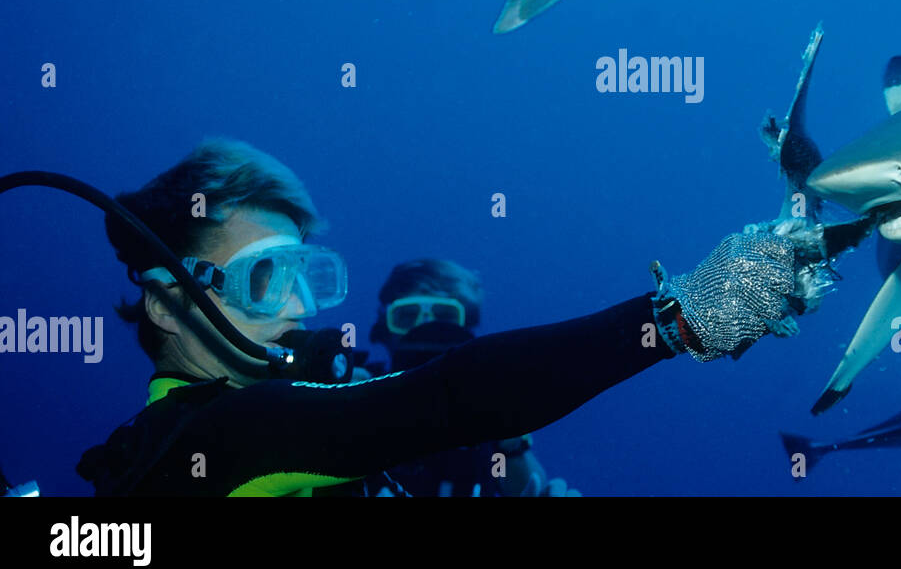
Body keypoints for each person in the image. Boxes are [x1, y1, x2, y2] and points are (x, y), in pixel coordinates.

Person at [76, 138, 818, 496]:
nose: (300, 307)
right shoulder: (224, 433)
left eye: (308, 273)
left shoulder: (263, 415)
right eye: (266, 278)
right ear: (167, 301)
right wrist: (672, 322)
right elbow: (447, 397)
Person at [368, 258, 577, 496]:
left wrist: (511, 436)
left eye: (444, 316)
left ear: (465, 327)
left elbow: (525, 488)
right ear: (384, 329)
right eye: (406, 316)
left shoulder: (487, 405)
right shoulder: (358, 392)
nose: (424, 329)